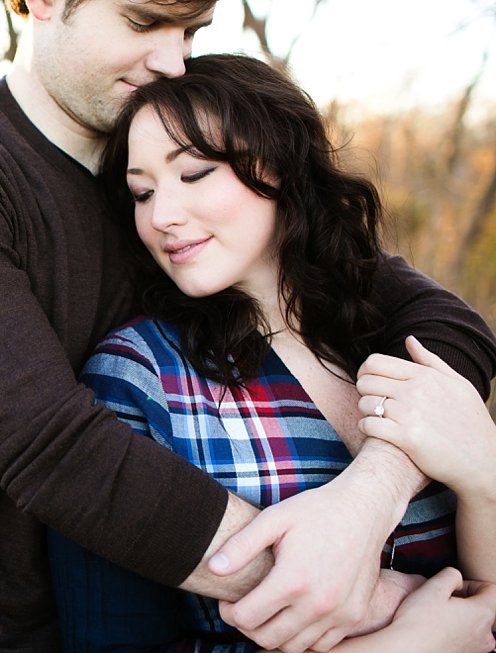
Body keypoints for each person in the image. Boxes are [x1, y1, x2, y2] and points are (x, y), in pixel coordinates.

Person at [0, 2, 496, 652]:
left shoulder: (181, 168)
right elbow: (52, 448)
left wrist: (369, 497)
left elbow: (443, 323)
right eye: (144, 21)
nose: (172, 60)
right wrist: (371, 604)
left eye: (191, 31)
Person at [48, 53, 496, 653]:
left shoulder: (384, 337)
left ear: (279, 163)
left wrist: (484, 477)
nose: (162, 216)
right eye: (141, 192)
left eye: (195, 174)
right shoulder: (137, 377)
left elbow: (483, 603)